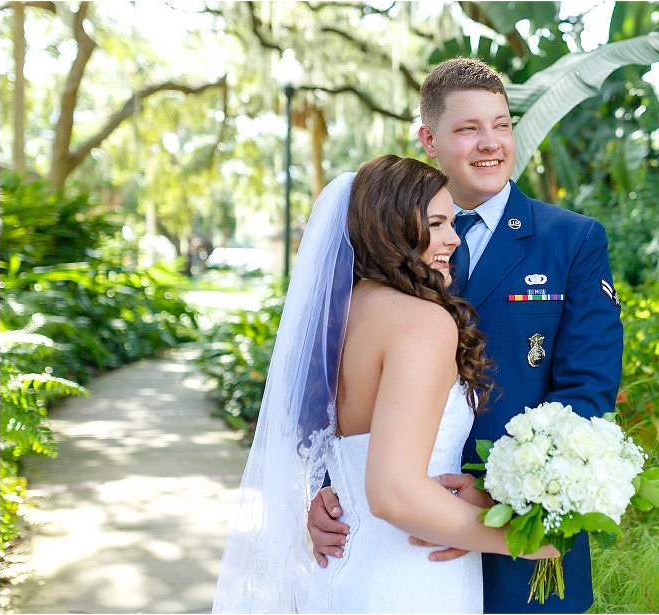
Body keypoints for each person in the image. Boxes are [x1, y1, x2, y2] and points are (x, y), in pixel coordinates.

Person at [307, 59, 624, 614]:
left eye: (502, 124)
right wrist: (325, 488)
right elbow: (326, 392)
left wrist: (501, 496)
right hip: (401, 544)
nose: (492, 144)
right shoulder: (374, 265)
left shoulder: (571, 241)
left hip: (520, 539)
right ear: (428, 139)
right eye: (468, 128)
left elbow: (587, 395)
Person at [212, 154, 558, 614]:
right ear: (391, 226)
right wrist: (524, 539)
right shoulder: (424, 322)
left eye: (451, 222)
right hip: (411, 581)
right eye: (436, 224)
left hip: (338, 570)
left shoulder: (341, 317)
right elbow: (394, 490)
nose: (453, 238)